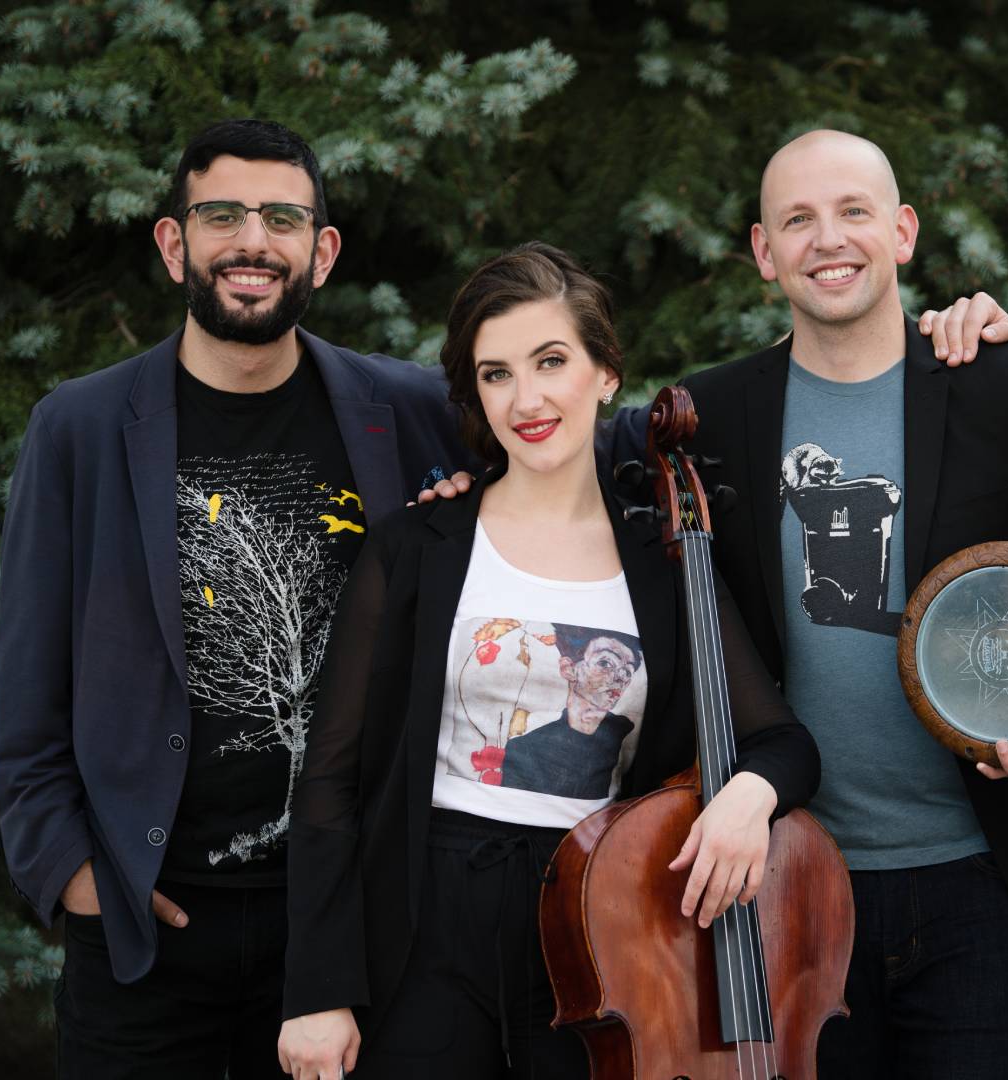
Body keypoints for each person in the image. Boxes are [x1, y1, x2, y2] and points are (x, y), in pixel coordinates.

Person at [651, 129, 1008, 1079]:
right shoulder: (711, 417)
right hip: (791, 882)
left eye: (854, 211)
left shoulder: (1004, 386)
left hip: (985, 881)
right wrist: (454, 486)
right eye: (799, 220)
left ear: (903, 231)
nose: (829, 239)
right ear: (764, 252)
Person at [0, 119, 469, 1077]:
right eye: (222, 216)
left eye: (283, 218)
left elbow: (564, 451)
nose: (254, 241)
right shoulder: (79, 428)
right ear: (176, 244)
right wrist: (72, 875)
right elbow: (27, 682)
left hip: (345, 929)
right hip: (145, 933)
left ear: (321, 253)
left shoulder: (415, 412)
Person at [274, 243, 821, 1079]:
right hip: (422, 924)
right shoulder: (414, 547)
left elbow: (784, 743)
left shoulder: (666, 563)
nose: (525, 399)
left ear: (606, 373)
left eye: (551, 361)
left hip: (596, 926)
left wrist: (751, 794)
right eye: (496, 374)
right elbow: (330, 777)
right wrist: (317, 988)